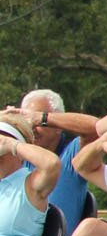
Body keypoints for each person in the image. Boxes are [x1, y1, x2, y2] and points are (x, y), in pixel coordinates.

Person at [16, 90, 94, 228]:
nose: (33, 127)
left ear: (58, 126)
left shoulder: (72, 154)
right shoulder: (16, 157)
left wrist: (43, 118)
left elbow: (96, 129)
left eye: (37, 122)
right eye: (27, 121)